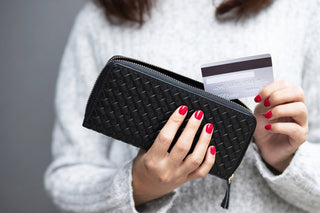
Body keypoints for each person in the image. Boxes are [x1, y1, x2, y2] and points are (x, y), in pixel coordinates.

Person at [44, 0, 320, 212]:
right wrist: (139, 185)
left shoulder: (302, 11)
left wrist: (285, 160)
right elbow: (67, 177)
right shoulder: (100, 19)